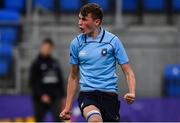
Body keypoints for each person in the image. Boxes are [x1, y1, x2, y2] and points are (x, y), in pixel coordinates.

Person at [60, 3, 136, 122]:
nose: (80, 23)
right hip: (87, 94)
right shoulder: (76, 43)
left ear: (97, 22)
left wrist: (132, 92)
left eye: (84, 19)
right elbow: (73, 76)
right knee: (95, 120)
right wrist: (67, 107)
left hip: (110, 96)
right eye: (79, 18)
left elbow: (128, 71)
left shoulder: (113, 41)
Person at [29, 38, 65, 122]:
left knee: (58, 118)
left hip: (55, 97)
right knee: (39, 119)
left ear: (51, 49)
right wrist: (41, 95)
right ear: (42, 47)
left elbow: (60, 80)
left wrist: (63, 96)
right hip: (40, 98)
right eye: (45, 47)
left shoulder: (55, 63)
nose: (46, 49)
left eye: (49, 48)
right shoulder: (36, 64)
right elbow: (33, 82)